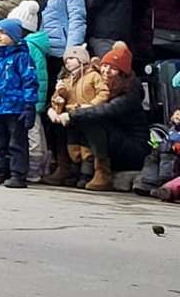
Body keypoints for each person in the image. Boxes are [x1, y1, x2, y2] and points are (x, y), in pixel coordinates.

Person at [49, 41, 144, 191]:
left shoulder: (130, 91)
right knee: (65, 121)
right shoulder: (98, 83)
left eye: (113, 69)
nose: (106, 71)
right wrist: (55, 109)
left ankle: (102, 172)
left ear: (122, 72)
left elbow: (107, 110)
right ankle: (69, 167)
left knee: (91, 119)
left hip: (132, 148)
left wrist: (74, 114)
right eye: (105, 66)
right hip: (113, 139)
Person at [0, 17, 38, 189]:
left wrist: (29, 105)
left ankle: (18, 174)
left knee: (17, 143)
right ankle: (0, 171)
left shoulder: (22, 57)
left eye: (4, 33)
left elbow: (30, 82)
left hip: (15, 107)